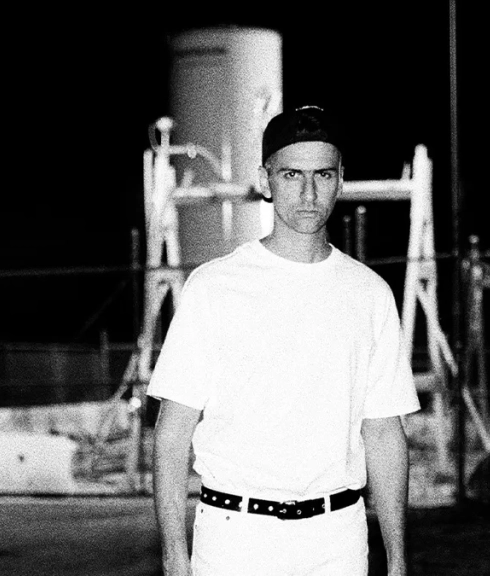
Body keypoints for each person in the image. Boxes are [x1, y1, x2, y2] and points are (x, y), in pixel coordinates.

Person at [149, 105, 420, 576]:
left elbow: (383, 432)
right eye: (292, 174)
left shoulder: (370, 294)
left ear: (340, 180)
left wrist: (397, 559)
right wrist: (174, 555)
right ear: (266, 179)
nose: (309, 193)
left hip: (337, 541)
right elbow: (173, 431)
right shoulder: (214, 287)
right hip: (236, 540)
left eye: (323, 175)